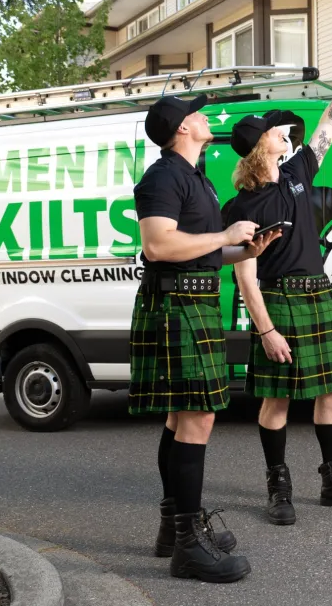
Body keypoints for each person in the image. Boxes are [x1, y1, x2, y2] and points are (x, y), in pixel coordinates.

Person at [227, 41, 332, 526]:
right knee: (277, 401)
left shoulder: (297, 172)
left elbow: (330, 125)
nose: (285, 132)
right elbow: (245, 275)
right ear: (260, 145)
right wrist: (267, 330)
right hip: (278, 303)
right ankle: (278, 485)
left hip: (317, 295)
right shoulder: (243, 208)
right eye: (276, 130)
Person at [129, 94, 280, 582]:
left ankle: (175, 529)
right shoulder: (163, 177)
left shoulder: (195, 178)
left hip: (193, 301)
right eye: (197, 114)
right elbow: (158, 245)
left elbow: (198, 253)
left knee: (181, 417)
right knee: (197, 418)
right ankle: (189, 545)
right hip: (175, 306)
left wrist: (245, 249)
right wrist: (223, 236)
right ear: (181, 129)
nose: (206, 117)